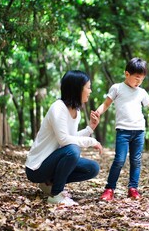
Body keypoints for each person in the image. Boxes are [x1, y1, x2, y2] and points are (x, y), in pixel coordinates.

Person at [94, 57, 149, 201]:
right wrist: (97, 113)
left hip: (139, 131)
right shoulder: (117, 88)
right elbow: (106, 104)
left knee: (136, 160)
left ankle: (133, 188)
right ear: (127, 74)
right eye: (137, 78)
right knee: (119, 160)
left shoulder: (141, 92)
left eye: (142, 79)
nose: (139, 82)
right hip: (123, 131)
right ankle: (109, 189)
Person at [25, 70, 103, 206]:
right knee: (73, 151)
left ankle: (49, 184)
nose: (90, 91)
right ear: (77, 88)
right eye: (88, 87)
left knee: (92, 168)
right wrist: (91, 141)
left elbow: (71, 137)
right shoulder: (58, 108)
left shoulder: (76, 112)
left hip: (52, 162)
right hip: (36, 168)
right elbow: (64, 140)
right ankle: (56, 194)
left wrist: (90, 128)